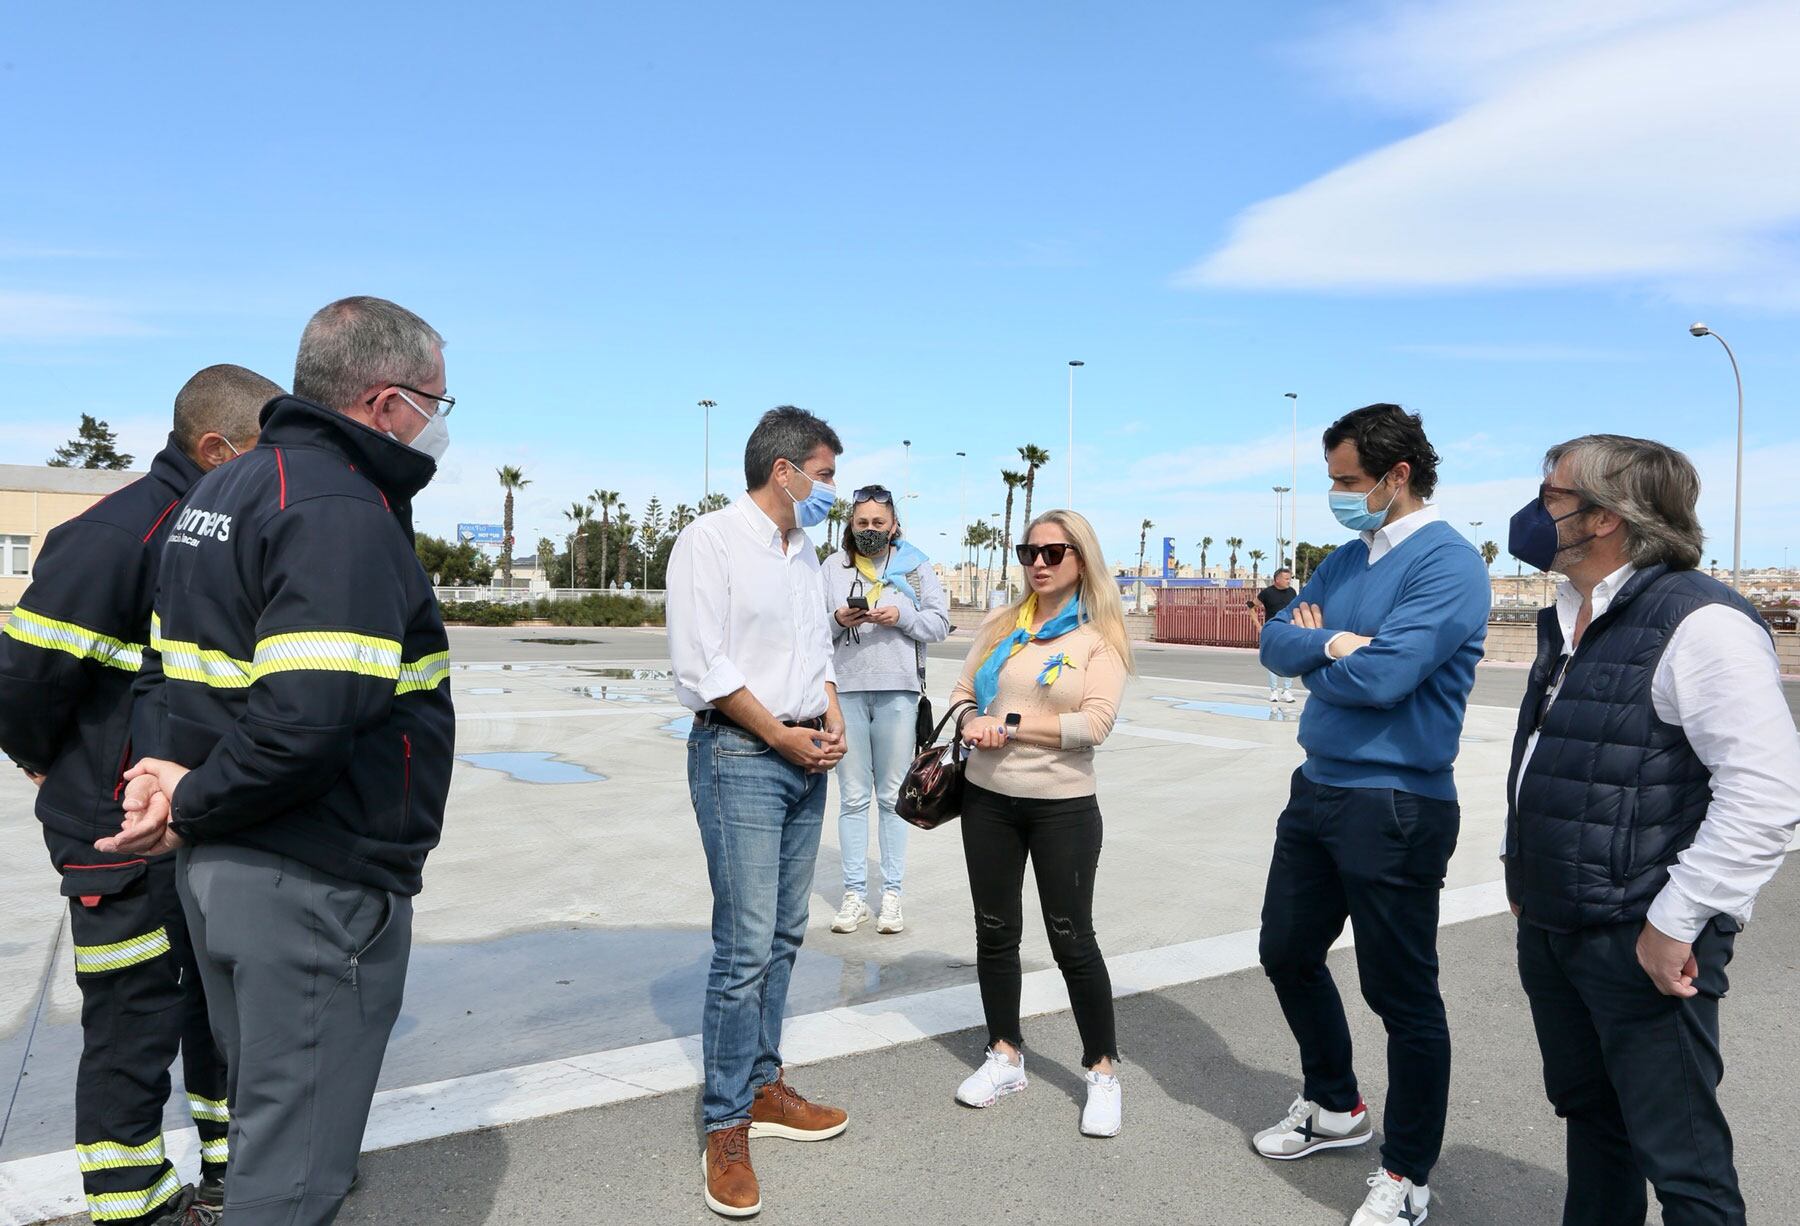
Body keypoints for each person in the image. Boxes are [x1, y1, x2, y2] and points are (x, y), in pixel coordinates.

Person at [98, 296, 457, 1226]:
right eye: (437, 402)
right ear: (387, 403)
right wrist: (190, 801)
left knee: (266, 1122)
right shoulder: (338, 509)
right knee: (292, 1174)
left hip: (229, 867)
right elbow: (307, 723)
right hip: (311, 876)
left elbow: (177, 674)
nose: (439, 423)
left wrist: (173, 782)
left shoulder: (224, 491)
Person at [0, 364, 277, 1226]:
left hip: (193, 819)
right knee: (133, 1021)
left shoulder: (215, 531)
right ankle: (134, 1208)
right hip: (113, 833)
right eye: (265, 450)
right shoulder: (116, 536)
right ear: (216, 448)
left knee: (213, 1006)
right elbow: (22, 681)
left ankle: (235, 1172)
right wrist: (51, 765)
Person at [1504, 435, 1800, 1226]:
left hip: (1640, 932)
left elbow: (1767, 793)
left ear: (1605, 517)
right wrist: (1522, 871)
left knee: (1682, 1159)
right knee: (1593, 1120)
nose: (1534, 512)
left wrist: (1677, 920)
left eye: (1552, 496)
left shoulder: (1701, 623)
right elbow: (1557, 753)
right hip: (1559, 921)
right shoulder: (1572, 613)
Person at [1254, 403, 1489, 1226]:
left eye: (1348, 481)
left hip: (1396, 802)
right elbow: (1273, 641)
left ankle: (1408, 1173)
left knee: (1401, 995)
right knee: (1286, 952)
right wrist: (1330, 644)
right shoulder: (1345, 560)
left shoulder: (1449, 565)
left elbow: (1387, 678)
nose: (1337, 494)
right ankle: (1334, 1106)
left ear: (1398, 476)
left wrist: (1327, 653)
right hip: (1317, 787)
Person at [667, 406, 852, 1220]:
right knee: (743, 946)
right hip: (742, 754)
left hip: (807, 753)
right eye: (826, 474)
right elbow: (700, 663)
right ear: (786, 471)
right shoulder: (709, 541)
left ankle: (763, 1084)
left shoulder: (804, 549)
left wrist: (831, 712)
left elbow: (815, 650)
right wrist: (778, 734)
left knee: (783, 934)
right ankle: (725, 1123)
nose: (832, 490)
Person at [947, 509, 1132, 1139]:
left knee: (1072, 940)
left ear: (1081, 558)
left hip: (1063, 808)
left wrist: (1011, 725)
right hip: (987, 800)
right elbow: (962, 692)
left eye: (1054, 553)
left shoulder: (1098, 637)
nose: (1039, 564)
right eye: (1030, 552)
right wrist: (971, 718)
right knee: (995, 932)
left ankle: (1102, 1071)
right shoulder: (1003, 625)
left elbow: (1095, 725)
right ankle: (1005, 1055)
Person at [821, 484, 950, 935]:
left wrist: (902, 617)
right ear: (850, 524)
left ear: (894, 525)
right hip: (846, 693)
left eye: (879, 522)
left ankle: (891, 894)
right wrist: (839, 620)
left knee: (894, 797)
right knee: (853, 797)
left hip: (898, 693)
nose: (870, 529)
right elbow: (811, 631)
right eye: (862, 522)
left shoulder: (915, 566)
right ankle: (854, 895)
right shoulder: (832, 567)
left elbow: (939, 624)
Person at [1252, 567, 1300, 702]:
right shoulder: (1266, 593)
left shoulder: (1292, 592)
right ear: (1277, 579)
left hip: (1289, 630)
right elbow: (1251, 607)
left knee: (1289, 660)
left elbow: (1295, 609)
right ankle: (1274, 691)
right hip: (1272, 631)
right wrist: (1259, 626)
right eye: (1286, 579)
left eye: (1289, 578)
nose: (1289, 581)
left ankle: (1287, 690)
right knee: (1273, 661)